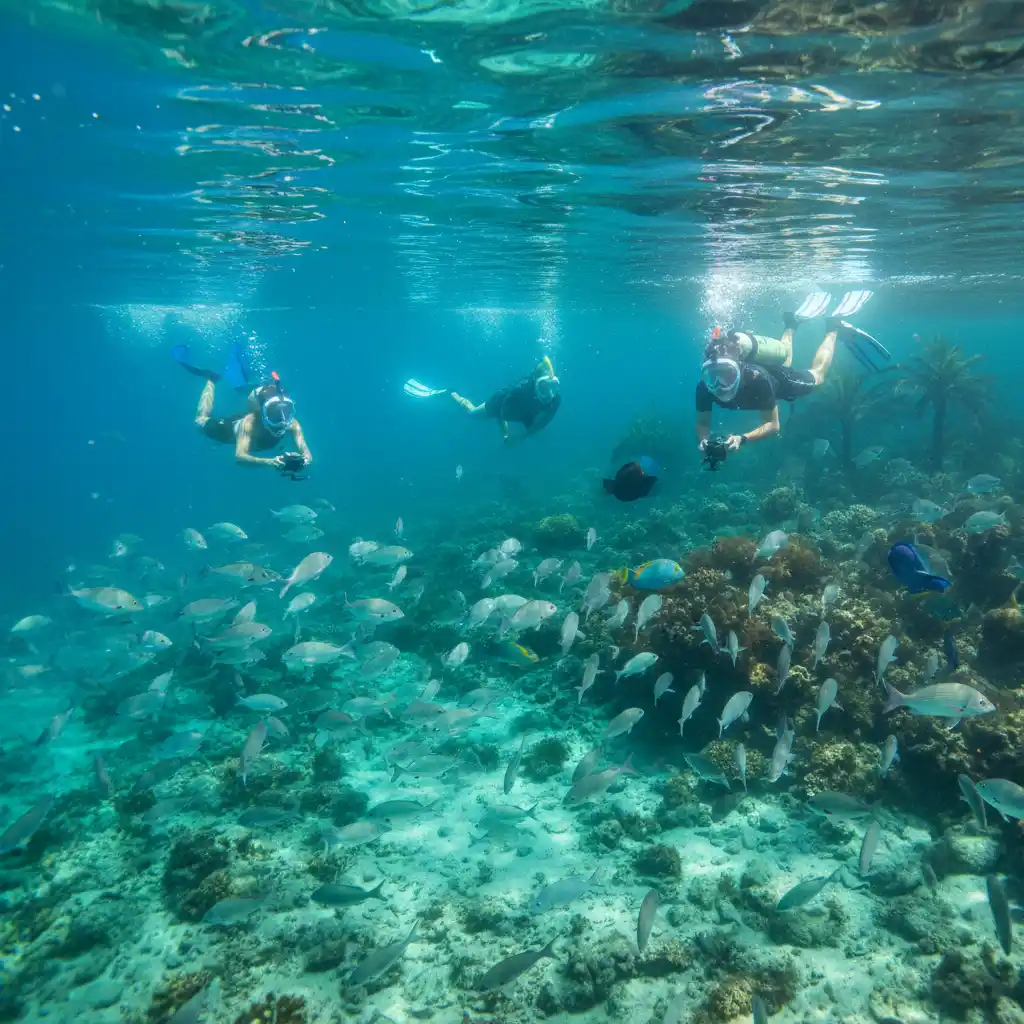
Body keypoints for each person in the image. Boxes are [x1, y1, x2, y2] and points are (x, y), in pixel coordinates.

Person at [695, 290, 888, 455]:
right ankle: (791, 325)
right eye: (712, 375)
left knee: (818, 376)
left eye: (727, 374)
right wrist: (703, 441)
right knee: (783, 359)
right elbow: (703, 424)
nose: (719, 384)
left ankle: (833, 328)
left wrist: (742, 439)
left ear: (739, 369)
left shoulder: (757, 379)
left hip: (779, 383)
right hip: (770, 373)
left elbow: (773, 425)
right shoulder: (705, 388)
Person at [173, 343, 312, 471]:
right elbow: (240, 457)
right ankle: (211, 379)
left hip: (251, 421)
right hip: (226, 430)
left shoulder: (292, 424)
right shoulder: (249, 423)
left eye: (286, 413)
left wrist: (303, 461)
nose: (282, 420)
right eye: (274, 414)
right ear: (264, 413)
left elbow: (307, 453)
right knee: (200, 421)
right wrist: (270, 462)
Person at [449, 356, 561, 443]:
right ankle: (452, 394)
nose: (549, 394)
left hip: (524, 411)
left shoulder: (555, 399)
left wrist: (525, 434)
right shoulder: (519, 390)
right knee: (472, 413)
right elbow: (502, 413)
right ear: (535, 383)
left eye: (553, 386)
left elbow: (544, 422)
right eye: (544, 386)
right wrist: (506, 435)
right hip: (499, 404)